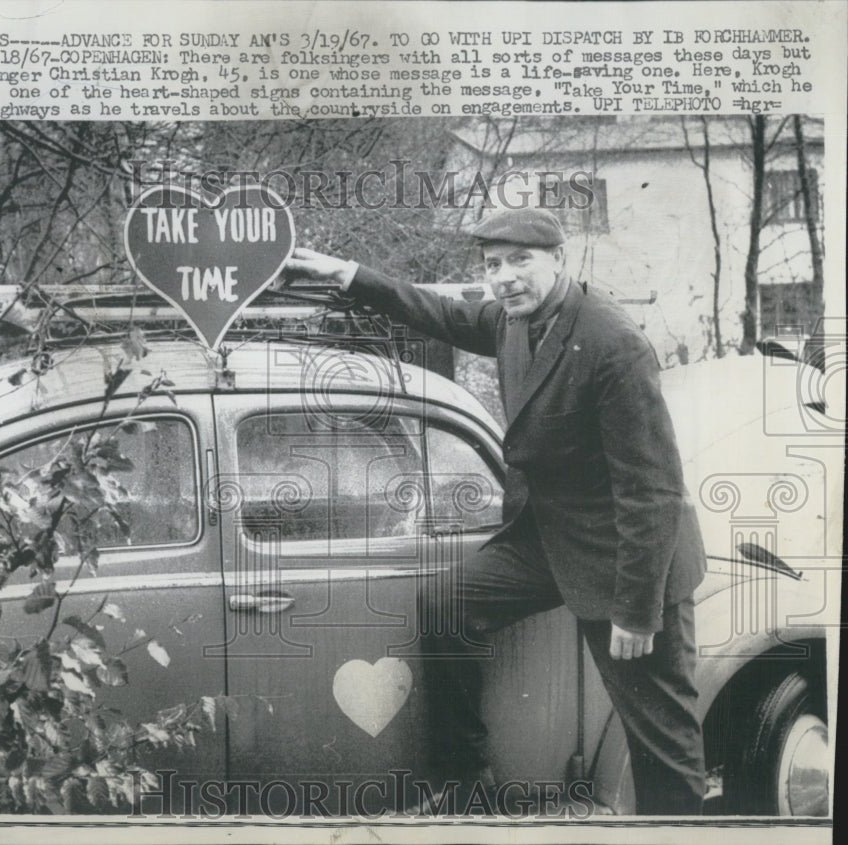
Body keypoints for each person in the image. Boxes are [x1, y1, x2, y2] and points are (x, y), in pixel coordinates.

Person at [283, 207, 707, 815]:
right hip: (550, 539)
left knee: (661, 736)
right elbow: (443, 313)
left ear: (559, 259)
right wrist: (351, 274)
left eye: (520, 261)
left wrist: (636, 613)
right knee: (446, 603)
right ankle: (463, 782)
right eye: (492, 265)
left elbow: (654, 491)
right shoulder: (516, 319)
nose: (504, 277)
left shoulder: (614, 345)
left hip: (628, 559)